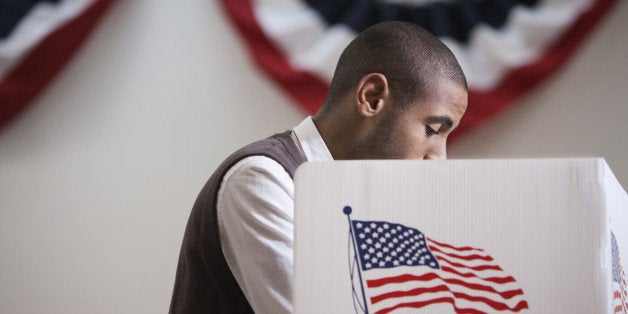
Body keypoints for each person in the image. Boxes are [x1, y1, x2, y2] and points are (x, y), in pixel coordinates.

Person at [169, 21, 468, 313]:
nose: (438, 159)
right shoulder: (261, 180)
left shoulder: (359, 200)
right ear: (372, 97)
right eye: (432, 130)